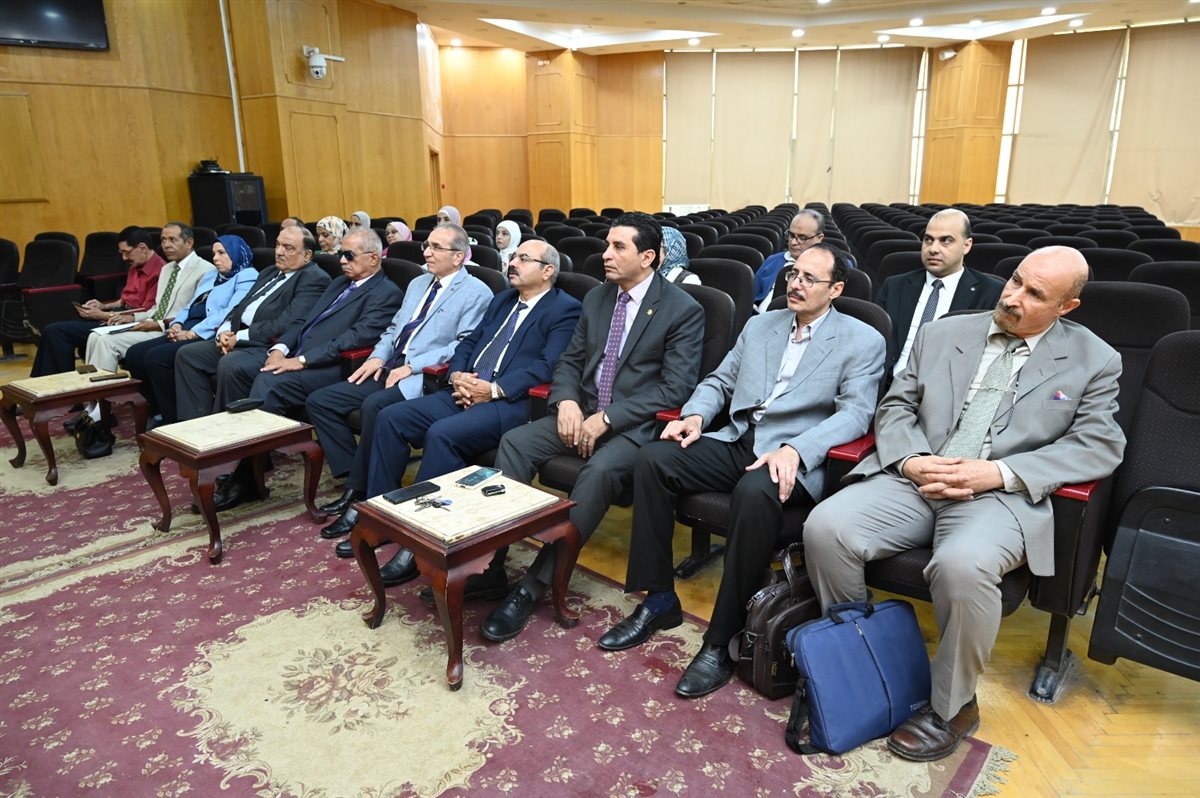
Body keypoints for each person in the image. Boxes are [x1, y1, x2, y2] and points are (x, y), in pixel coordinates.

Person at [802, 246, 1125, 762]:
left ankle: (952, 705)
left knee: (962, 565)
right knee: (826, 527)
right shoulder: (943, 332)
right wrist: (911, 460)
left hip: (998, 494)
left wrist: (997, 472)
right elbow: (896, 406)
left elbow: (1098, 445)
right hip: (917, 477)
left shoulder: (1095, 359)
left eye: (1035, 294)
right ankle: (859, 668)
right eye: (1014, 280)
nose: (1013, 297)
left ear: (1067, 307)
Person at [597, 243, 885, 698]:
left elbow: (855, 414)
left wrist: (797, 449)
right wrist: (695, 416)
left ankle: (722, 640)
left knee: (753, 492)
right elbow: (719, 381)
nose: (796, 283)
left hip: (792, 457)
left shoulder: (862, 340)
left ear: (836, 289)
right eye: (793, 274)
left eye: (810, 278)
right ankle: (659, 599)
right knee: (653, 458)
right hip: (739, 440)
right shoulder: (761, 324)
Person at [478, 212, 705, 643]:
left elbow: (675, 388)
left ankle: (532, 587)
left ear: (648, 257)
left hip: (633, 427)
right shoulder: (598, 298)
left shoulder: (682, 309)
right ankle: (490, 565)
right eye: (606, 245)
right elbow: (569, 360)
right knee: (515, 443)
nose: (606, 254)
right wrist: (565, 400)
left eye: (618, 247)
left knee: (598, 472)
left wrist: (609, 417)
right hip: (580, 411)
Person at [336, 239, 583, 585]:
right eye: (513, 256)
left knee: (442, 434)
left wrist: (492, 390)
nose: (513, 263)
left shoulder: (565, 309)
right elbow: (469, 343)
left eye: (523, 259)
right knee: (391, 417)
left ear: (547, 271)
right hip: (465, 388)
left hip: (509, 403)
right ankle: (387, 520)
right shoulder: (503, 300)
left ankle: (421, 540)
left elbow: (547, 366)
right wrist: (457, 376)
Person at [308, 222, 492, 539]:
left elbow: (462, 345)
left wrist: (412, 367)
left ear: (458, 256)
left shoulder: (477, 292)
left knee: (375, 406)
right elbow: (394, 329)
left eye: (436, 247)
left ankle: (365, 497)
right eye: (427, 246)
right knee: (320, 401)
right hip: (388, 366)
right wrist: (377, 357)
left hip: (422, 376)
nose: (427, 252)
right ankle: (356, 477)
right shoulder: (418, 283)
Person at [209, 228, 405, 511]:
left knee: (269, 382)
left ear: (373, 258)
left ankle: (244, 478)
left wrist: (300, 360)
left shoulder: (386, 294)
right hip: (301, 356)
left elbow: (351, 340)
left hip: (336, 367)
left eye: (349, 255)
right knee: (243, 371)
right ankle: (236, 456)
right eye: (341, 254)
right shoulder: (339, 283)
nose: (341, 260)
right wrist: (280, 350)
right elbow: (303, 323)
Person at [173, 225, 329, 422]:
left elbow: (286, 323)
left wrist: (238, 337)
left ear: (307, 255)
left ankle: (227, 429)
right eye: (277, 245)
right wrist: (225, 330)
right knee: (188, 355)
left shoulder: (314, 278)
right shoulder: (269, 272)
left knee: (231, 364)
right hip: (239, 337)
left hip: (268, 345)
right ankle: (195, 424)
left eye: (288, 248)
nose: (279, 252)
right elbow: (240, 306)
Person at [69, 223, 214, 426]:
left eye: (172, 240)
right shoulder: (167, 269)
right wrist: (133, 318)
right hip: (152, 321)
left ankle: (100, 413)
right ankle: (91, 406)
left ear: (189, 242)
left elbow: (194, 313)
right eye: (163, 240)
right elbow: (156, 308)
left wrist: (157, 324)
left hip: (171, 328)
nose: (166, 245)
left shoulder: (205, 270)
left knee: (106, 342)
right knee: (95, 335)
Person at [125, 235, 258, 425]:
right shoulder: (212, 275)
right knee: (134, 354)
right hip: (187, 326)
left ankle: (172, 418)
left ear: (236, 254)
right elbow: (189, 305)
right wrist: (176, 324)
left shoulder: (247, 276)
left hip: (208, 332)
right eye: (214, 253)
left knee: (156, 358)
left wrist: (192, 333)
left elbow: (230, 312)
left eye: (222, 253)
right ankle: (156, 410)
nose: (215, 258)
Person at [876, 208, 1003, 377]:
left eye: (946, 241)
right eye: (928, 240)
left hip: (948, 384)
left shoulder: (990, 292)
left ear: (966, 246)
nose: (933, 249)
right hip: (891, 381)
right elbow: (876, 341)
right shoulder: (894, 286)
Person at [30, 226, 164, 377]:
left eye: (126, 252)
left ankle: (58, 384)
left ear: (142, 248)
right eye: (121, 253)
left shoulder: (161, 271)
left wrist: (103, 315)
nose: (124, 258)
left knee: (56, 332)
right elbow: (126, 300)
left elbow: (145, 312)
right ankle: (43, 383)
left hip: (128, 321)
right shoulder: (136, 264)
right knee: (53, 330)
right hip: (116, 315)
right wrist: (103, 306)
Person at [753, 210, 826, 312]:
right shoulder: (772, 260)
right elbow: (752, 295)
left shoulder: (831, 267)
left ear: (819, 238)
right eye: (791, 235)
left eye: (802, 238)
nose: (793, 242)